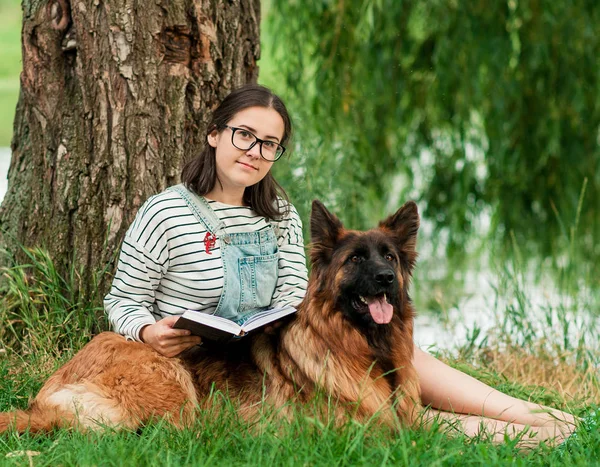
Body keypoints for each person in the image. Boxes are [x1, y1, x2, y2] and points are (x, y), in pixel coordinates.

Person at [104, 84, 576, 447]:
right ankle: (520, 428)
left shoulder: (281, 216)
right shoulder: (167, 212)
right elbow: (122, 298)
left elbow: (295, 293)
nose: (255, 151)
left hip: (269, 341)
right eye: (244, 135)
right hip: (197, 356)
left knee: (404, 355)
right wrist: (148, 332)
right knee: (381, 403)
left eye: (270, 143)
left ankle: (532, 414)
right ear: (214, 134)